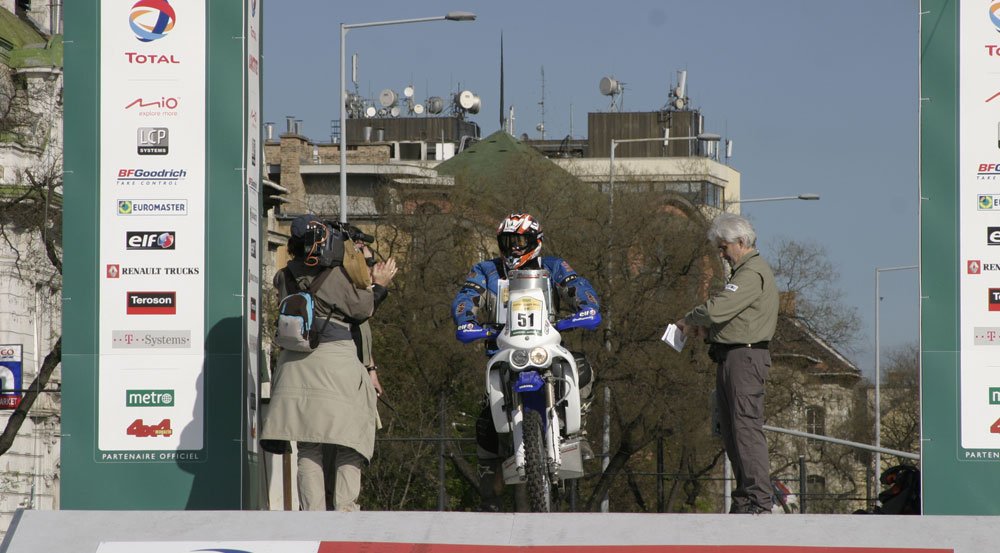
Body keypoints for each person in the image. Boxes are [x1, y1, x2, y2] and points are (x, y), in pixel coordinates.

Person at [451, 212, 600, 511]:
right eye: (508, 241)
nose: (515, 248)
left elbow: (576, 284)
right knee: (484, 424)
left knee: (582, 367)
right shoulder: (485, 270)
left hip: (546, 345)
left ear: (535, 241)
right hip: (503, 351)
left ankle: (579, 430)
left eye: (521, 241)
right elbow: (467, 296)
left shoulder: (554, 267)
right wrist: (465, 318)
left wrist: (586, 306)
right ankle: (490, 497)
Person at [261, 215, 394, 512]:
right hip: (335, 361)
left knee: (308, 444)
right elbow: (362, 309)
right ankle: (346, 511)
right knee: (350, 440)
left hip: (293, 364)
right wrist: (380, 285)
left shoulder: (284, 275)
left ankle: (313, 514)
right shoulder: (335, 276)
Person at [674, 213, 779, 515]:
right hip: (733, 356)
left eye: (723, 247)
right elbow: (735, 318)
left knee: (745, 428)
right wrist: (707, 331)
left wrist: (689, 320)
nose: (721, 254)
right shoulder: (745, 273)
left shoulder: (750, 273)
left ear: (742, 242)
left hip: (744, 359)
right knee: (733, 431)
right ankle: (747, 498)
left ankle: (759, 500)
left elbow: (719, 308)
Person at [324, 240, 397, 510]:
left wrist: (372, 369)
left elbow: (362, 334)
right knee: (341, 445)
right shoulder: (344, 293)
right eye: (366, 263)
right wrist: (380, 286)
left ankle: (342, 504)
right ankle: (335, 507)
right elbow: (361, 313)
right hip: (339, 380)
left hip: (356, 377)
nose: (372, 268)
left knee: (351, 446)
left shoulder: (358, 293)